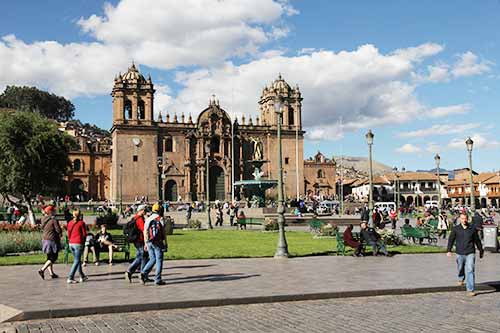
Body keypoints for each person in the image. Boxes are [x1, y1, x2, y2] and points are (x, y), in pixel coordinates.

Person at [447, 212, 484, 297]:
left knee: (470, 269)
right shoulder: (456, 229)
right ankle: (461, 278)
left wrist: (481, 250)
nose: (464, 220)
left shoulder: (472, 228)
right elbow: (451, 239)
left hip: (470, 251)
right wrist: (449, 250)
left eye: (465, 218)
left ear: (468, 219)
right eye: (462, 218)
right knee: (460, 267)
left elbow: (477, 240)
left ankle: (470, 289)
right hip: (459, 252)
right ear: (460, 219)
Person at [141, 203, 167, 286]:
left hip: (149, 241)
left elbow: (144, 231)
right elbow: (163, 232)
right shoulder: (160, 219)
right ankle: (158, 279)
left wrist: (145, 243)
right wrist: (165, 243)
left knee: (152, 259)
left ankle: (144, 273)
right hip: (157, 242)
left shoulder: (148, 219)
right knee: (159, 260)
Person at [38, 205, 62, 280]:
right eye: (53, 210)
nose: (55, 211)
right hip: (52, 240)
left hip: (45, 240)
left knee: (49, 257)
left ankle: (52, 273)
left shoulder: (43, 219)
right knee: (54, 257)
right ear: (50, 212)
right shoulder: (54, 220)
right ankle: (42, 270)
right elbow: (58, 230)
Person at [125, 205, 147, 282]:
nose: (145, 211)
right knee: (141, 256)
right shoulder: (139, 219)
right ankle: (129, 271)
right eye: (144, 210)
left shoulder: (135, 218)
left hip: (136, 240)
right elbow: (144, 230)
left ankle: (143, 274)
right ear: (141, 210)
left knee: (144, 256)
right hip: (139, 240)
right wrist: (146, 241)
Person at [67, 209, 88, 283]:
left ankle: (82, 276)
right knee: (76, 261)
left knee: (77, 260)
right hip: (78, 243)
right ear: (80, 215)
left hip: (71, 243)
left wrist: (70, 240)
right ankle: (70, 277)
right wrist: (83, 242)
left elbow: (68, 234)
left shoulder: (69, 223)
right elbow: (84, 234)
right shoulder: (81, 223)